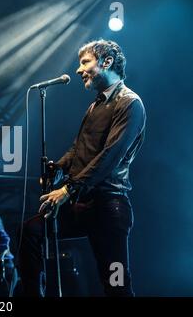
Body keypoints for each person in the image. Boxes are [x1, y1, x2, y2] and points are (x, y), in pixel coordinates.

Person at [18, 39, 146, 297]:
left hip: (110, 205)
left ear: (107, 62)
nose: (78, 70)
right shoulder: (95, 106)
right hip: (82, 202)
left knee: (116, 282)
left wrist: (67, 189)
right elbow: (79, 148)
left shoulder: (130, 103)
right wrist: (59, 166)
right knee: (29, 232)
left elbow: (110, 156)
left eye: (85, 62)